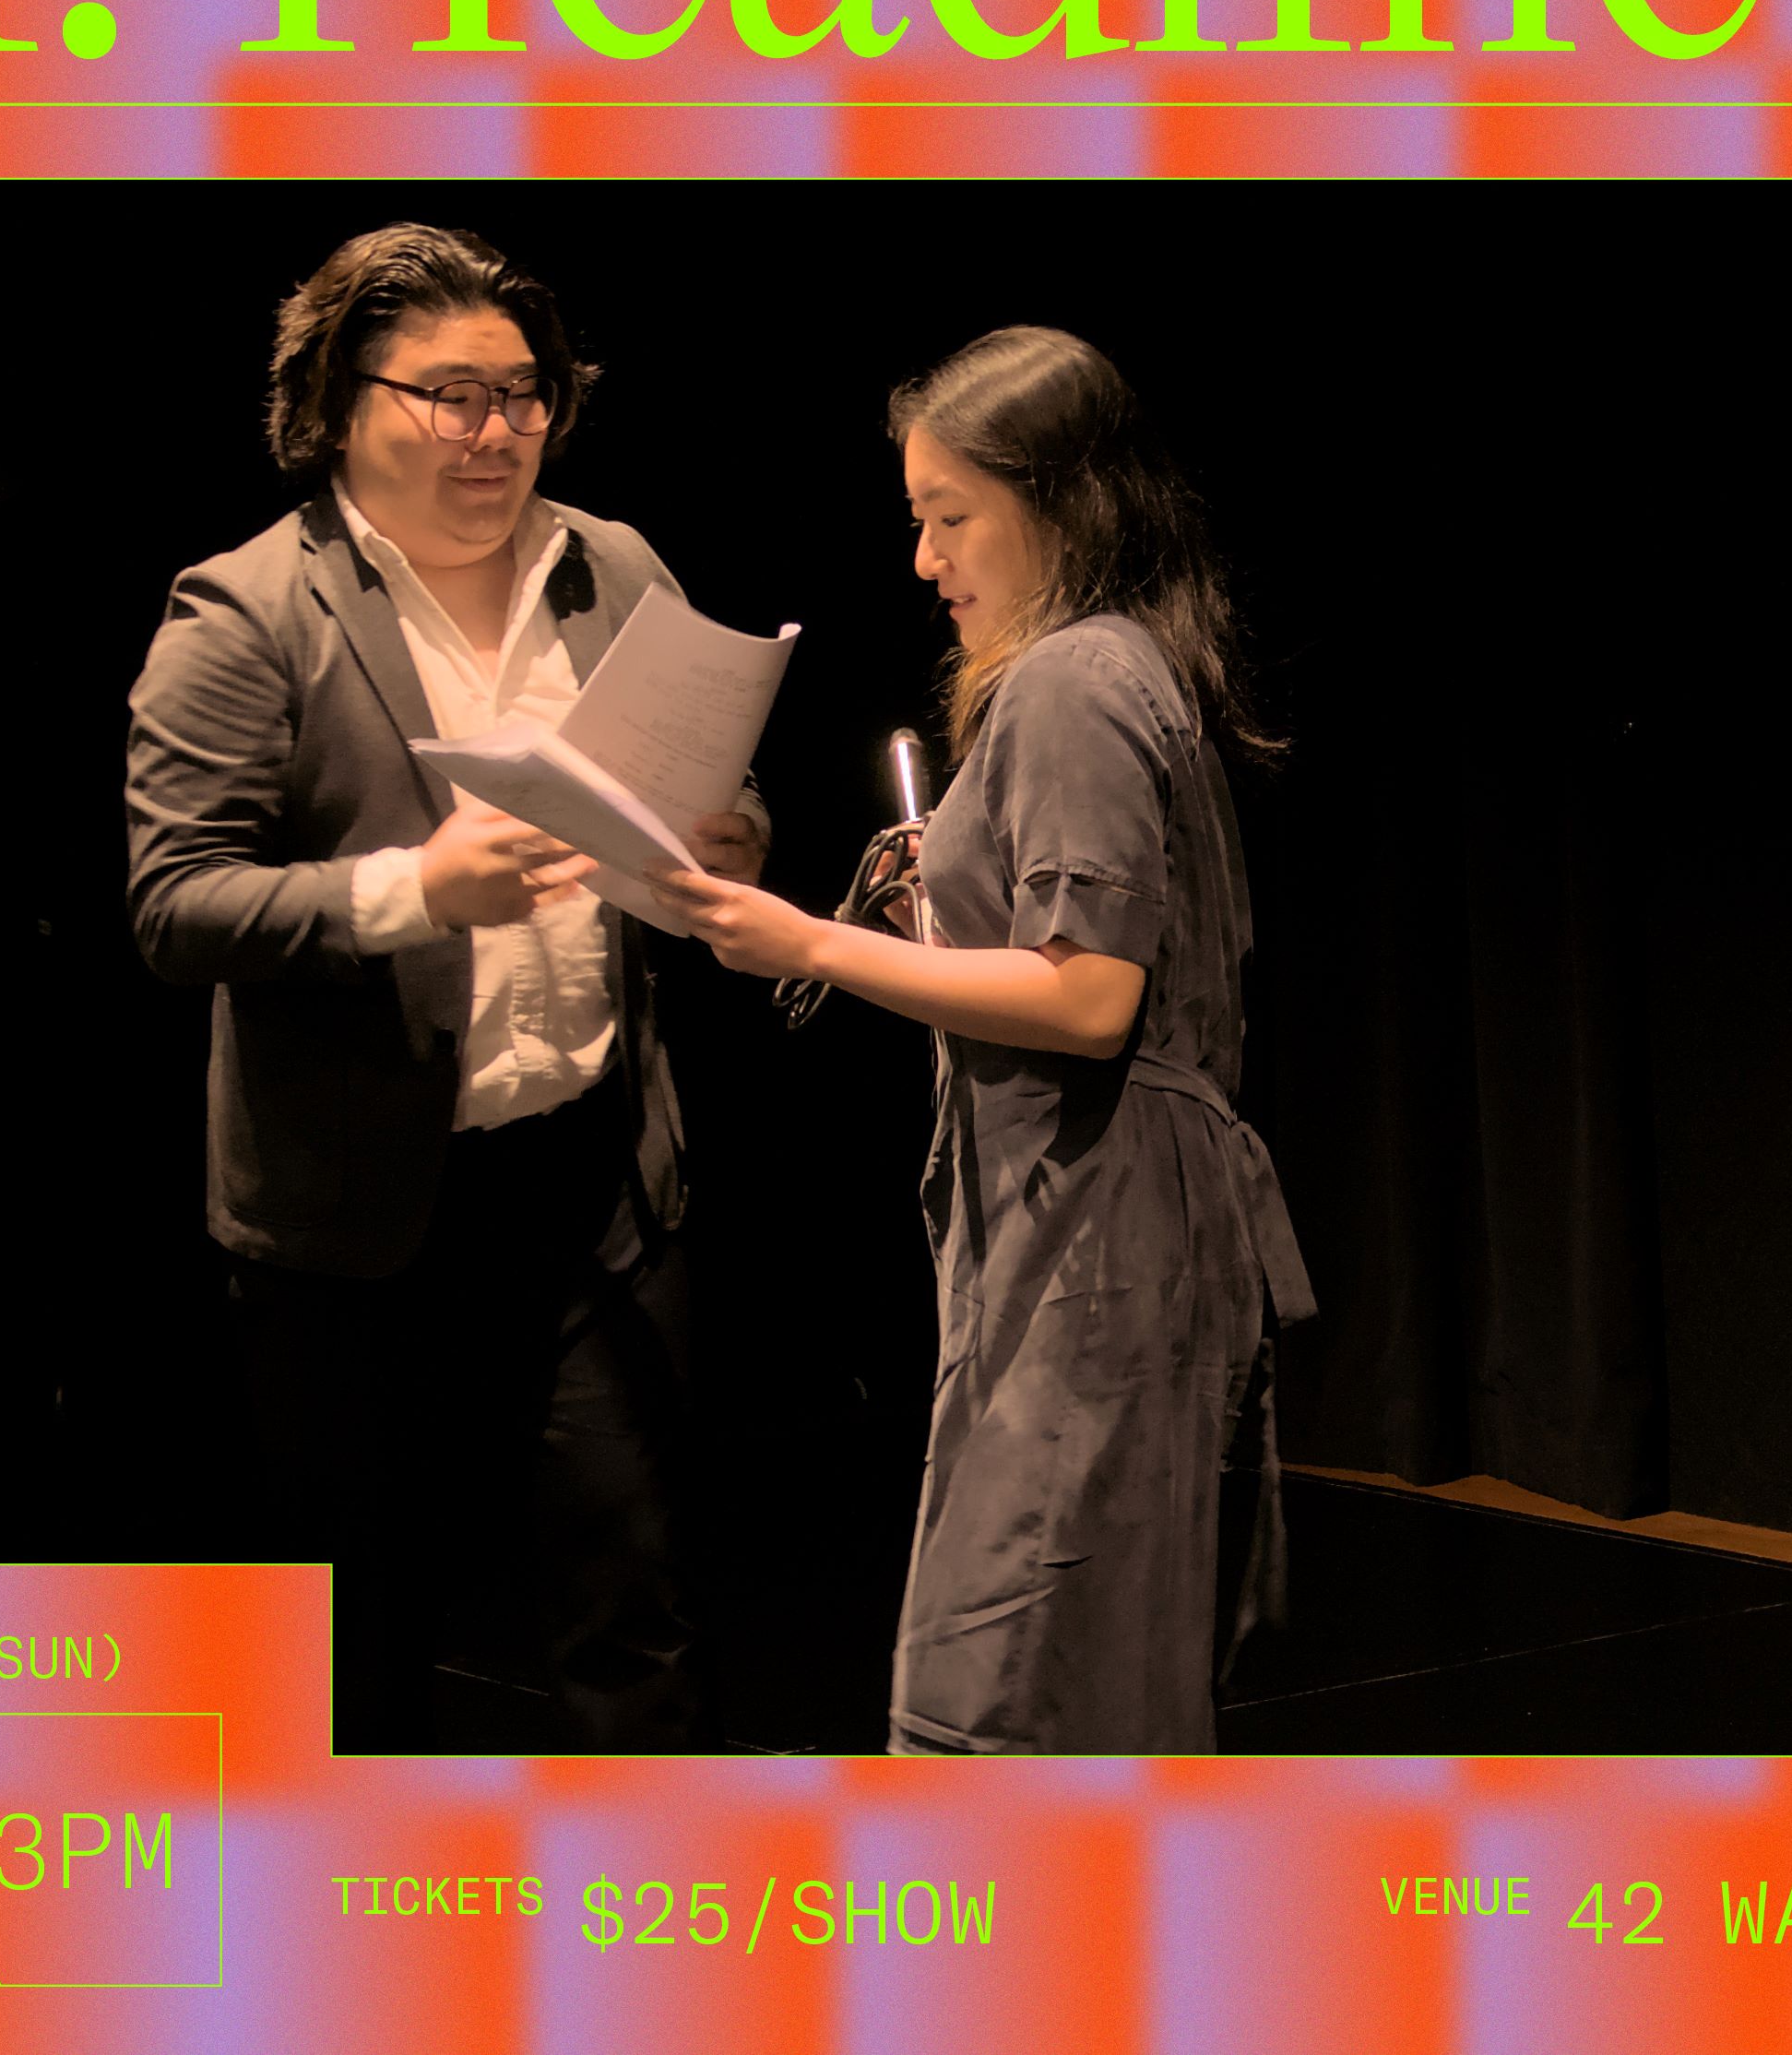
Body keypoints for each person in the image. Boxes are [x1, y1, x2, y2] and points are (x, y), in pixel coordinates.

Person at [124, 220, 760, 1751]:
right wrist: (417, 888)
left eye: (527, 392)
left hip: (593, 1171)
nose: (499, 431)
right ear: (342, 402)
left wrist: (728, 832)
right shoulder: (248, 608)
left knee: (638, 1599)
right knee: (364, 1626)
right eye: (454, 394)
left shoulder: (616, 566)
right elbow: (174, 901)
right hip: (359, 1209)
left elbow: (705, 800)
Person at [664, 327, 1313, 1754]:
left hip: (1105, 1237)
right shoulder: (1116, 668)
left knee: (1017, 1687)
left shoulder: (1076, 678)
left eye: (950, 517)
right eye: (918, 520)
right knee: (1081, 1680)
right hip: (1092, 1231)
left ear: (1060, 504)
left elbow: (1091, 999)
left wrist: (811, 940)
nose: (924, 558)